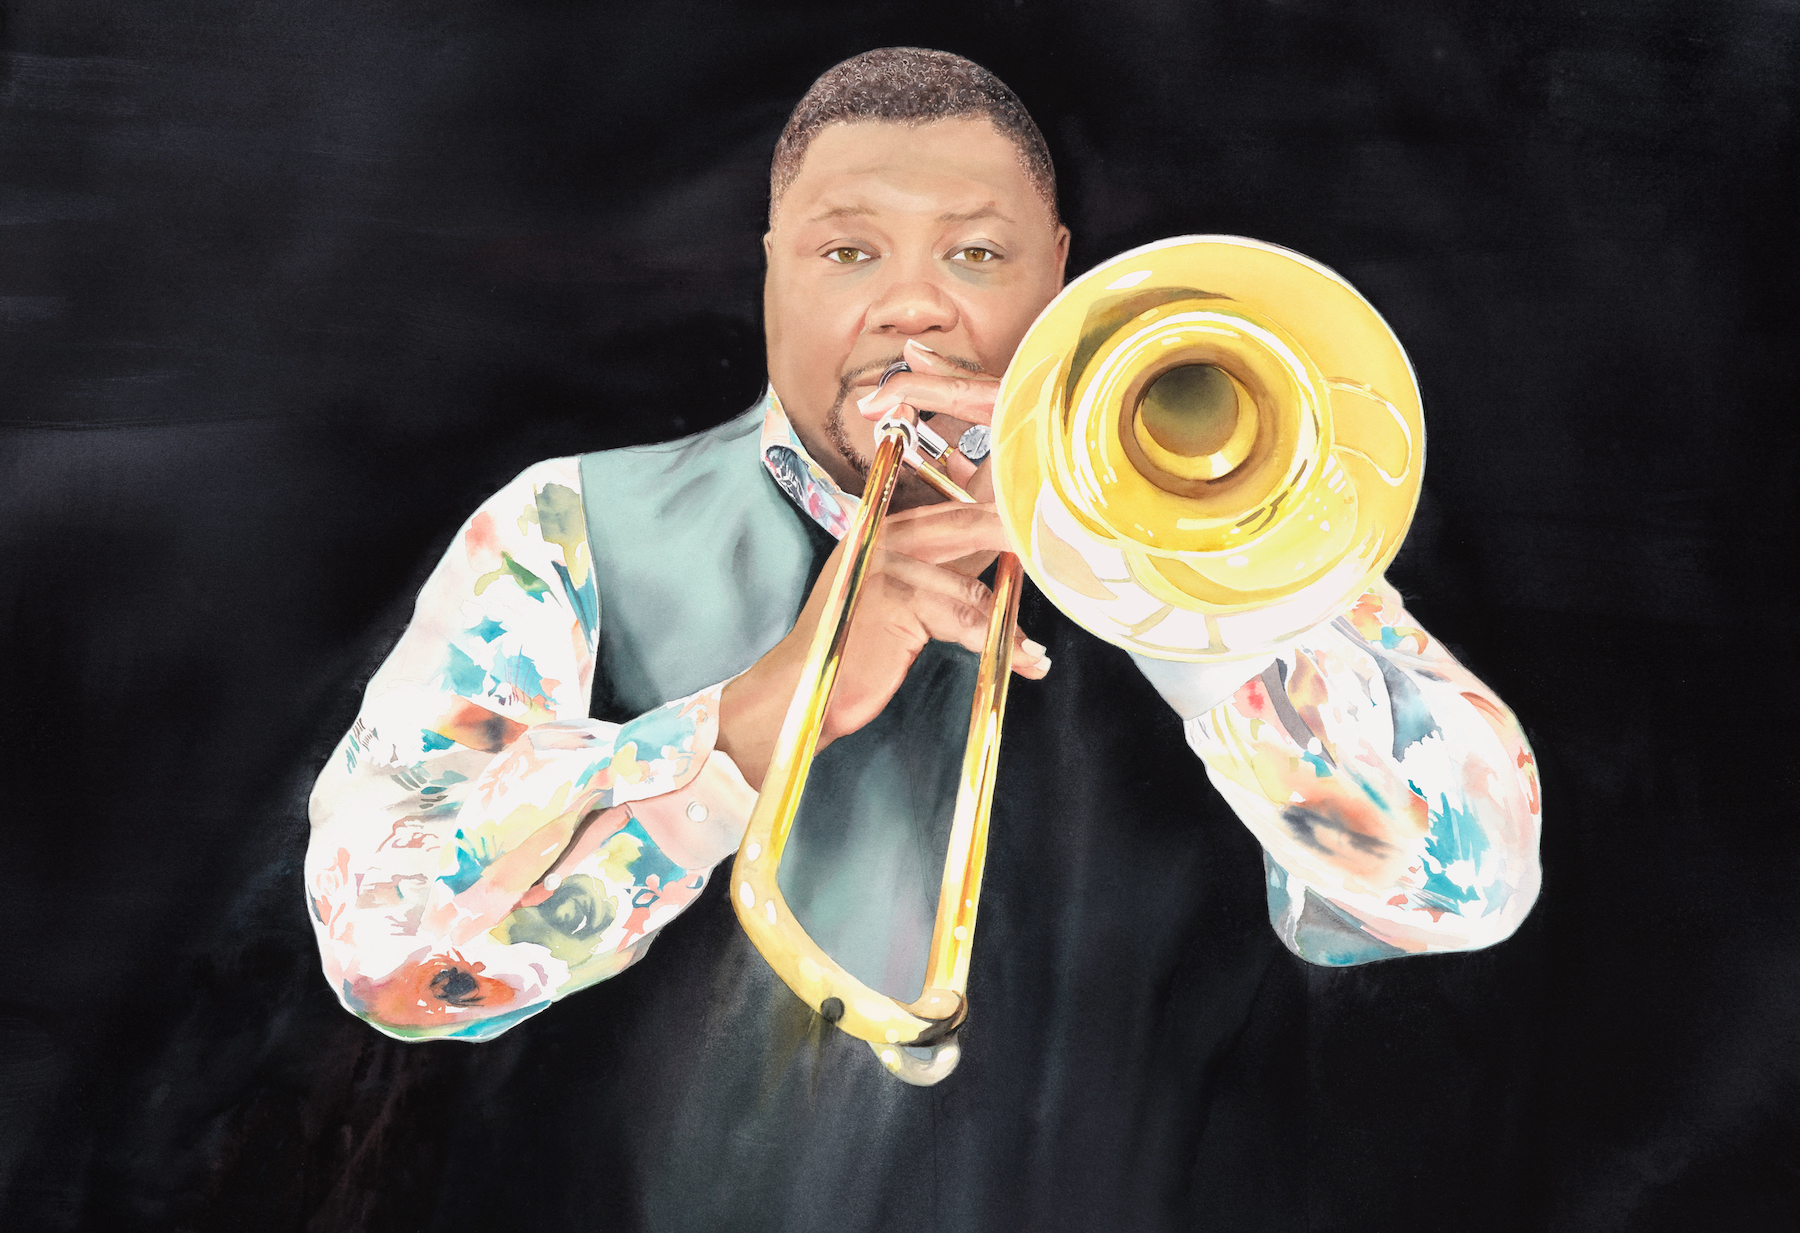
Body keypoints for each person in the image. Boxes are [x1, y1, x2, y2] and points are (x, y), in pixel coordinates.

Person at [304, 47, 1540, 1047]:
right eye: (848, 252)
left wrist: (1168, 601)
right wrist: (763, 711)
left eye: (978, 255)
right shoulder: (562, 523)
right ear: (772, 274)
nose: (913, 306)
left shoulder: (1246, 533)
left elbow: (1467, 893)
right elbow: (384, 954)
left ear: (1059, 276)